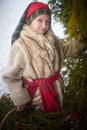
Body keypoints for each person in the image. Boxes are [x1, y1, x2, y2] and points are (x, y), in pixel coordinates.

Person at [2, 2, 87, 113]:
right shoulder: (21, 46)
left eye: (47, 21)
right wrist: (20, 99)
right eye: (40, 20)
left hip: (55, 91)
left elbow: (65, 50)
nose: (44, 25)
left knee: (57, 118)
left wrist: (82, 40)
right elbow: (11, 77)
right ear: (29, 20)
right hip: (36, 98)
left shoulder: (52, 39)